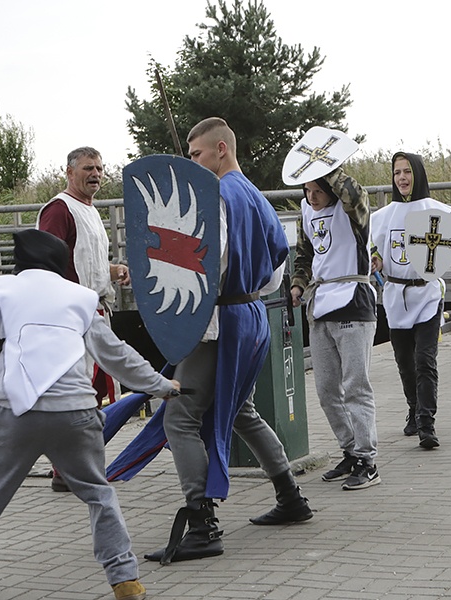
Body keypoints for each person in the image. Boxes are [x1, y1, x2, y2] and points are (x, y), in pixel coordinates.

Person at [0, 229, 177, 600]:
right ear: (61, 265)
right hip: (74, 412)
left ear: (20, 263)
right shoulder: (82, 298)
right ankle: (125, 580)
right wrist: (161, 385)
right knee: (97, 494)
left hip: (14, 412)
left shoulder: (2, 290)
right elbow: (116, 356)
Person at [144, 117, 313, 565]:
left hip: (220, 322)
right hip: (254, 314)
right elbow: (279, 262)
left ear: (221, 149)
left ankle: (202, 525)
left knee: (178, 418)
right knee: (241, 410)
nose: (192, 162)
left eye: (196, 155)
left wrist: (187, 312)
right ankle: (290, 496)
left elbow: (209, 268)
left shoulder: (218, 194)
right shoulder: (256, 195)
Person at [38, 146, 130, 491]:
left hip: (94, 310)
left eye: (100, 169)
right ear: (69, 172)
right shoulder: (59, 210)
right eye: (88, 168)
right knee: (74, 393)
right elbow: (46, 263)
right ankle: (67, 470)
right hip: (71, 315)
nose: (95, 174)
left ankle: (75, 465)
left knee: (91, 393)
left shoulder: (89, 210)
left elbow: (83, 261)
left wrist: (113, 270)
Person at [290, 167, 380, 490]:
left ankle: (368, 460)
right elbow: (305, 254)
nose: (312, 197)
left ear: (330, 186)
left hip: (353, 302)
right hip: (321, 304)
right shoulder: (305, 211)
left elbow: (354, 194)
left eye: (318, 190)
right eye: (306, 191)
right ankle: (351, 450)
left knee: (356, 385)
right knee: (327, 389)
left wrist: (325, 164)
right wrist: (298, 284)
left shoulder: (352, 211)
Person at [370, 152, 451, 449]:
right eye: (397, 173)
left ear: (417, 174)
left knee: (424, 360)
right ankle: (413, 407)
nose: (402, 178)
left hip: (427, 296)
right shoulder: (382, 217)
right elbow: (374, 248)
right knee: (405, 363)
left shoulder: (437, 211)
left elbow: (447, 243)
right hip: (396, 297)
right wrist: (376, 259)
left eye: (407, 172)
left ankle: (426, 422)